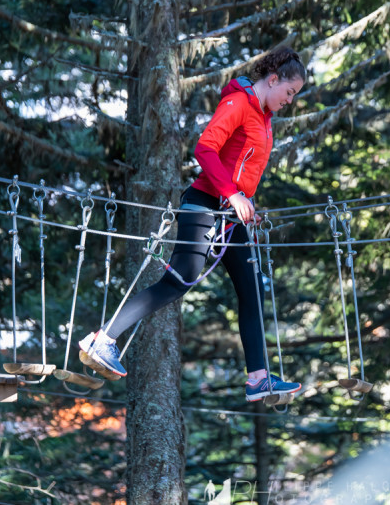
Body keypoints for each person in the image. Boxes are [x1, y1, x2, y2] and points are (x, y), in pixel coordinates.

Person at [78, 46, 306, 402]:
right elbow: (205, 148)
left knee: (252, 289)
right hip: (204, 204)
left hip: (230, 217)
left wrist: (245, 202)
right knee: (178, 281)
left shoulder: (263, 117)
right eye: (289, 92)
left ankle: (258, 379)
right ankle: (102, 339)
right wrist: (232, 194)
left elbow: (239, 167)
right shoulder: (238, 102)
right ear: (273, 79)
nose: (290, 100)